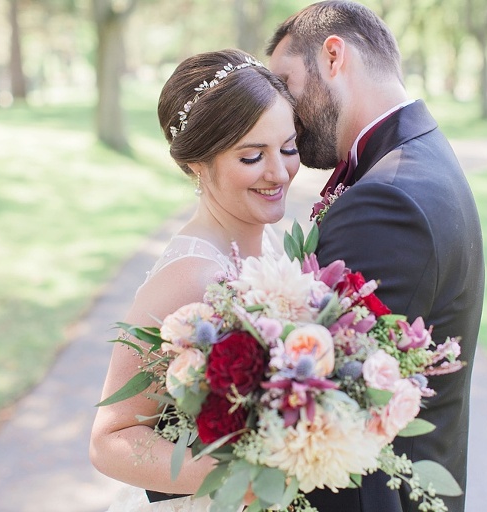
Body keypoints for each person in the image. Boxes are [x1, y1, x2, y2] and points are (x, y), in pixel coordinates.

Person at [267, 2, 485, 511]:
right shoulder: (421, 154)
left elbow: (323, 402)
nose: (280, 108)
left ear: (334, 56)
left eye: (285, 82)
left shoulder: (388, 198)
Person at [89, 48, 300, 512]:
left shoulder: (270, 241)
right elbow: (110, 439)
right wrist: (240, 477)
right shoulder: (191, 275)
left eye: (288, 148)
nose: (279, 171)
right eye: (252, 156)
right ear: (198, 164)